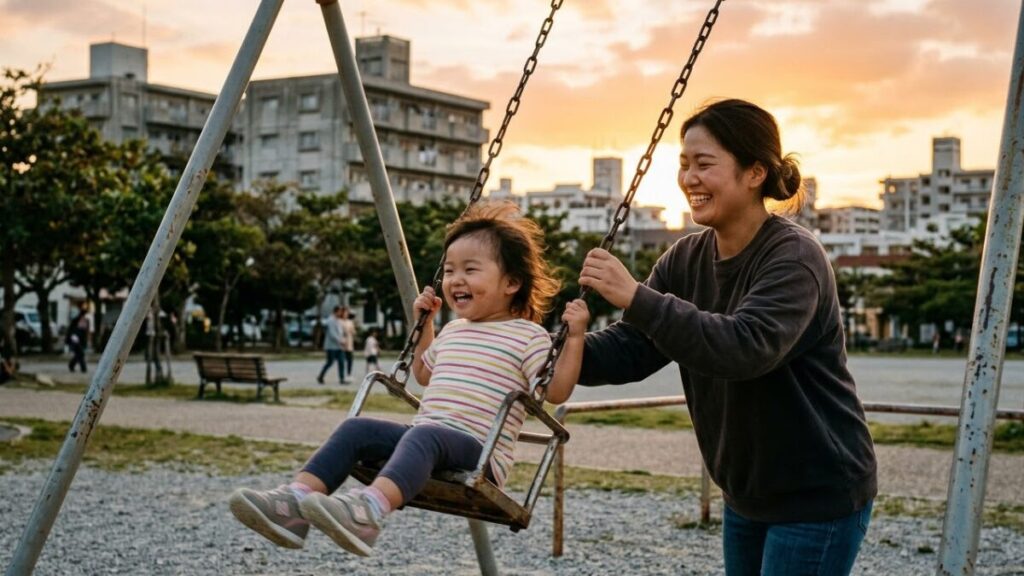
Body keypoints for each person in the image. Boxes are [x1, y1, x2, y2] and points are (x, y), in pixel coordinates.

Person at [576, 99, 877, 576]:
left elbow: (745, 347)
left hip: (816, 494)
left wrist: (636, 296)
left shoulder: (794, 257)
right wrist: (539, 349)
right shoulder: (684, 258)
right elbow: (631, 349)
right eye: (683, 164)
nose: (689, 178)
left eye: (704, 164)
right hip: (746, 494)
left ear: (754, 172)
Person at [229, 201, 589, 556]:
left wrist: (573, 339)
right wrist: (427, 326)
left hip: (479, 452)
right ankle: (294, 505)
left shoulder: (528, 336)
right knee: (357, 430)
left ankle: (368, 512)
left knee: (424, 435)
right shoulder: (452, 330)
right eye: (448, 271)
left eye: (470, 270)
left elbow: (554, 391)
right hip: (429, 438)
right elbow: (423, 374)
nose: (455, 280)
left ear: (511, 282)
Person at [316, 307, 346, 385]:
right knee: (329, 362)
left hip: (339, 346)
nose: (340, 313)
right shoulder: (331, 320)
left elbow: (340, 332)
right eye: (339, 312)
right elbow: (333, 334)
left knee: (341, 362)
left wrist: (343, 340)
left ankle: (342, 379)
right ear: (335, 312)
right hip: (331, 346)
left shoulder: (338, 320)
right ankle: (321, 376)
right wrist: (340, 340)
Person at [66, 302, 91, 373]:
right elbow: (71, 330)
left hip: (81, 340)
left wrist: (86, 340)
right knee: (81, 353)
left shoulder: (86, 321)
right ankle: (83, 368)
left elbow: (85, 332)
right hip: (75, 339)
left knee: (80, 354)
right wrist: (72, 337)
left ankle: (72, 365)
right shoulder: (76, 320)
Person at [340, 307, 357, 383]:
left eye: (347, 313)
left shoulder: (350, 322)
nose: (345, 314)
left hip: (349, 344)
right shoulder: (339, 322)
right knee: (342, 361)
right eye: (344, 313)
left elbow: (354, 332)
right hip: (341, 344)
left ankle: (349, 374)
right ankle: (342, 376)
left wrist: (352, 331)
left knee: (350, 360)